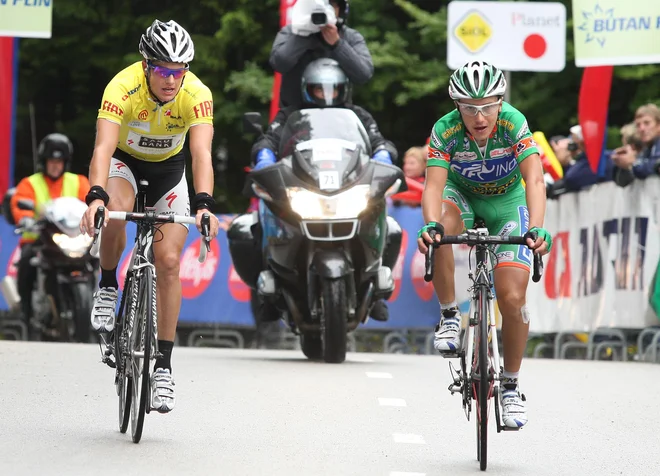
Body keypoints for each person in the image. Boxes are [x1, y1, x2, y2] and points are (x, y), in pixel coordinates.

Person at [79, 19, 220, 414]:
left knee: (170, 262)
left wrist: (205, 203)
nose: (171, 79)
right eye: (162, 70)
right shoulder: (121, 87)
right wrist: (95, 197)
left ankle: (163, 367)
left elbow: (201, 155)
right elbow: (103, 148)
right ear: (146, 65)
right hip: (125, 164)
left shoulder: (196, 93)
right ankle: (108, 285)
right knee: (117, 211)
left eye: (179, 71)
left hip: (169, 172)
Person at [416, 61, 552, 428]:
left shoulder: (513, 122)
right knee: (439, 229)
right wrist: (430, 224)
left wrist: (537, 229)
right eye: (470, 108)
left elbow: (535, 181)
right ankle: (448, 315)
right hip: (459, 196)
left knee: (512, 297)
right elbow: (433, 185)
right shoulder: (444, 130)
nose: (480, 116)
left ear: (500, 101)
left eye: (488, 105)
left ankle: (510, 385)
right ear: (456, 106)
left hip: (507, 201)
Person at [251, 57, 397, 323]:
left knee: (393, 228)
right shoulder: (290, 115)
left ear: (344, 89)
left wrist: (384, 155)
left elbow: (378, 141)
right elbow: (267, 140)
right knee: (247, 227)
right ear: (308, 88)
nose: (327, 95)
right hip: (304, 189)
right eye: (320, 89)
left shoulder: (358, 116)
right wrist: (263, 156)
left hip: (347, 189)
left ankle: (375, 291)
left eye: (334, 89)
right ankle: (268, 294)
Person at [10, 133, 91, 330]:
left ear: (65, 162)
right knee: (28, 260)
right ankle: (26, 312)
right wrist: (25, 217)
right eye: (51, 161)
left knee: (95, 259)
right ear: (44, 162)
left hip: (71, 237)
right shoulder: (30, 183)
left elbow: (90, 202)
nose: (55, 165)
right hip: (39, 239)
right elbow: (18, 204)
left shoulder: (79, 182)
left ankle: (97, 307)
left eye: (59, 161)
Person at [270, 0, 373, 108]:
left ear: (341, 9)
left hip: (338, 115)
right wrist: (303, 34)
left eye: (331, 5)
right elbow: (279, 63)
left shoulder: (350, 37)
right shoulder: (291, 33)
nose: (324, 10)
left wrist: (338, 44)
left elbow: (364, 74)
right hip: (295, 116)